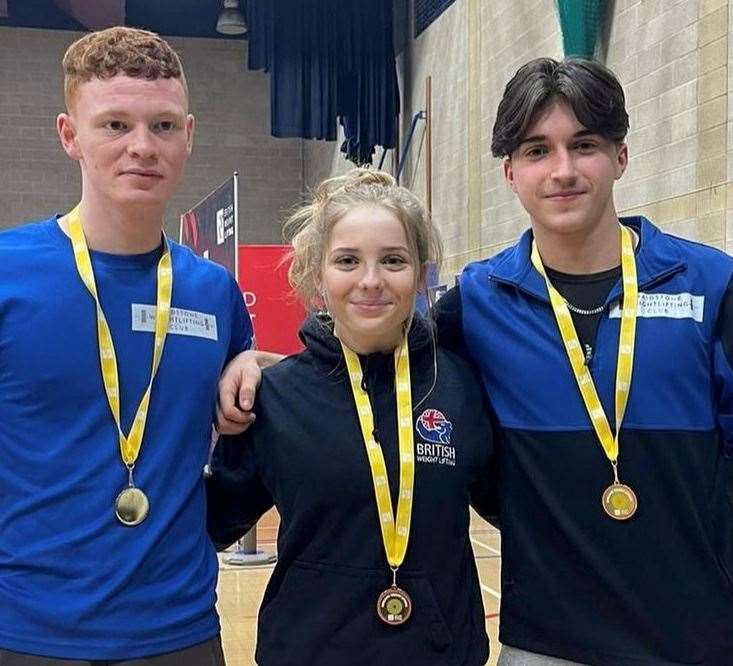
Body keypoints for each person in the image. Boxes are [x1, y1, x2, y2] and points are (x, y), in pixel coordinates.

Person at [218, 58, 733, 665]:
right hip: (544, 645)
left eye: (585, 145)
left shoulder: (710, 284)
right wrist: (263, 365)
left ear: (620, 157)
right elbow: (373, 357)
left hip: (697, 638)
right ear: (511, 172)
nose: (563, 169)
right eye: (538, 149)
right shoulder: (482, 301)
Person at [0, 27, 252, 664]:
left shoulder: (214, 293)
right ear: (69, 135)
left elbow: (253, 417)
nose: (142, 147)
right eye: (115, 125)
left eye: (163, 126)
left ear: (189, 135)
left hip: (180, 632)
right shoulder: (8, 272)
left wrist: (258, 363)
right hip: (27, 633)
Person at [207, 169, 497, 665]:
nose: (371, 280)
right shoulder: (276, 397)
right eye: (347, 260)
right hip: (307, 652)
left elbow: (517, 508)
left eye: (393, 260)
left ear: (421, 272)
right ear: (317, 273)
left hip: (442, 653)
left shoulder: (462, 384)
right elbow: (208, 523)